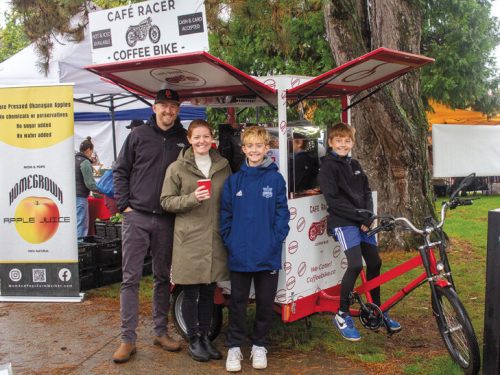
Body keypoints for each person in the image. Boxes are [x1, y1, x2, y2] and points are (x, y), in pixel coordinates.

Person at [112, 89, 188, 363]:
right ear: (155, 108)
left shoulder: (183, 139)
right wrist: (124, 206)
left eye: (173, 106)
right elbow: (120, 171)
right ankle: (127, 339)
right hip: (138, 216)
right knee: (130, 278)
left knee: (161, 278)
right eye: (164, 106)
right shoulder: (138, 136)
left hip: (167, 219)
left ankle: (160, 331)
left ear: (178, 110)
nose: (168, 111)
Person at [317, 122, 401, 342]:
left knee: (375, 263)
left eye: (347, 141)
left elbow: (366, 192)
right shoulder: (327, 167)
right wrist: (360, 217)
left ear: (352, 142)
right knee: (355, 264)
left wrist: (368, 217)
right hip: (343, 222)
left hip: (362, 220)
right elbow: (333, 201)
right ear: (330, 142)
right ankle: (342, 313)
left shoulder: (355, 164)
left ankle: (377, 309)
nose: (343, 144)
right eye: (338, 141)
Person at [160, 119, 231, 363]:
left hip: (214, 238)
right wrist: (191, 198)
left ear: (213, 139)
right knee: (191, 292)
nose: (202, 141)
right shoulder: (176, 168)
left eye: (206, 137)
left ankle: (205, 338)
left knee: (209, 291)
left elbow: (229, 198)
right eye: (197, 137)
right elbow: (166, 201)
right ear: (189, 139)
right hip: (189, 239)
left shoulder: (223, 165)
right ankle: (194, 339)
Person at [220, 126, 290, 372]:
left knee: (264, 302)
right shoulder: (234, 181)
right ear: (243, 149)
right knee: (237, 302)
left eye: (259, 145)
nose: (254, 150)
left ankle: (260, 345)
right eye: (250, 146)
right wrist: (230, 239)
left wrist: (276, 238)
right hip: (239, 252)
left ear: (266, 148)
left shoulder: (275, 179)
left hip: (267, 252)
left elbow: (283, 212)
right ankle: (235, 348)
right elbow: (226, 215)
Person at [75, 137, 100, 238]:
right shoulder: (85, 162)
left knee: (75, 224)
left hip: (71, 197)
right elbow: (90, 184)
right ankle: (81, 250)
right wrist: (102, 190)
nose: (92, 154)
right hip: (80, 197)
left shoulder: (74, 159)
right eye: (91, 151)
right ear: (89, 150)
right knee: (81, 224)